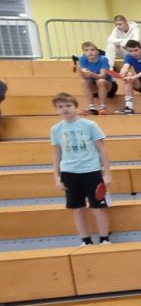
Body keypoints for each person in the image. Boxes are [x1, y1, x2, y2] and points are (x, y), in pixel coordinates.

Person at [49, 93, 112, 246]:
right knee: (77, 209)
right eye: (60, 106)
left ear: (75, 107)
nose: (65, 109)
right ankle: (86, 241)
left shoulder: (90, 125)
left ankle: (104, 239)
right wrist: (56, 176)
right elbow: (56, 154)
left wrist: (107, 173)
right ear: (56, 109)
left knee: (98, 208)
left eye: (68, 105)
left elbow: (102, 150)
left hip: (92, 171)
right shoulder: (56, 129)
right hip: (69, 173)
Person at [76, 41, 118, 115]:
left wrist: (91, 74)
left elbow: (103, 76)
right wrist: (79, 70)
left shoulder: (103, 59)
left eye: (92, 50)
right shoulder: (82, 59)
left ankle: (103, 107)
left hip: (109, 86)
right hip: (94, 86)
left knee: (100, 81)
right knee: (84, 81)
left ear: (97, 51)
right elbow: (84, 77)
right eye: (86, 50)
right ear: (84, 52)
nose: (90, 52)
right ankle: (91, 107)